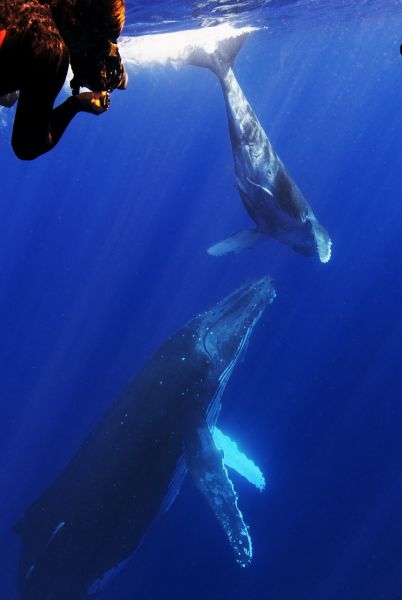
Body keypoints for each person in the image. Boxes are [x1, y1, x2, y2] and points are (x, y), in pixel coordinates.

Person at [0, 0, 128, 160]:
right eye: (100, 40)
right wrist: (76, 104)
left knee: (9, 96)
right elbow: (27, 146)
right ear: (89, 30)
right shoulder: (51, 49)